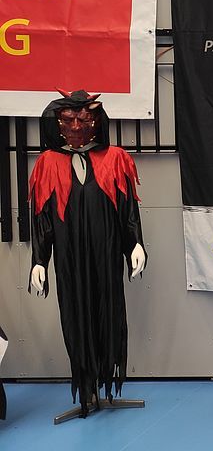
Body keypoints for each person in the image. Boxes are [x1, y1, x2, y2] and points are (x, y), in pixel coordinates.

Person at [28, 89, 146, 416]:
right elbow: (42, 218)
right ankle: (86, 386)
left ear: (96, 121)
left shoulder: (115, 159)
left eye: (84, 119)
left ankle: (106, 381)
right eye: (69, 120)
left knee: (109, 309)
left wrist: (135, 243)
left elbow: (127, 210)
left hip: (106, 253)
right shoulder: (48, 164)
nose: (77, 127)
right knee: (75, 311)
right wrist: (39, 260)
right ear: (59, 123)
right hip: (69, 258)